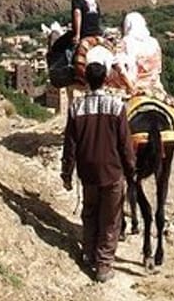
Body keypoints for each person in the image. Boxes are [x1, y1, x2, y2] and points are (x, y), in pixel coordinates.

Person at [61, 60, 135, 282]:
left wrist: (67, 173)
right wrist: (131, 170)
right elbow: (125, 143)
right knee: (110, 219)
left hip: (87, 172)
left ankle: (88, 253)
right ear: (105, 80)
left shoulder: (76, 107)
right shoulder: (116, 106)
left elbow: (70, 144)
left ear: (86, 81)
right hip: (112, 171)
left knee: (90, 212)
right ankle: (103, 265)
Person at [122, 11, 164, 97]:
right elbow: (159, 68)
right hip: (155, 86)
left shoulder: (127, 41)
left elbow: (130, 68)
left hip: (137, 86)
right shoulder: (154, 41)